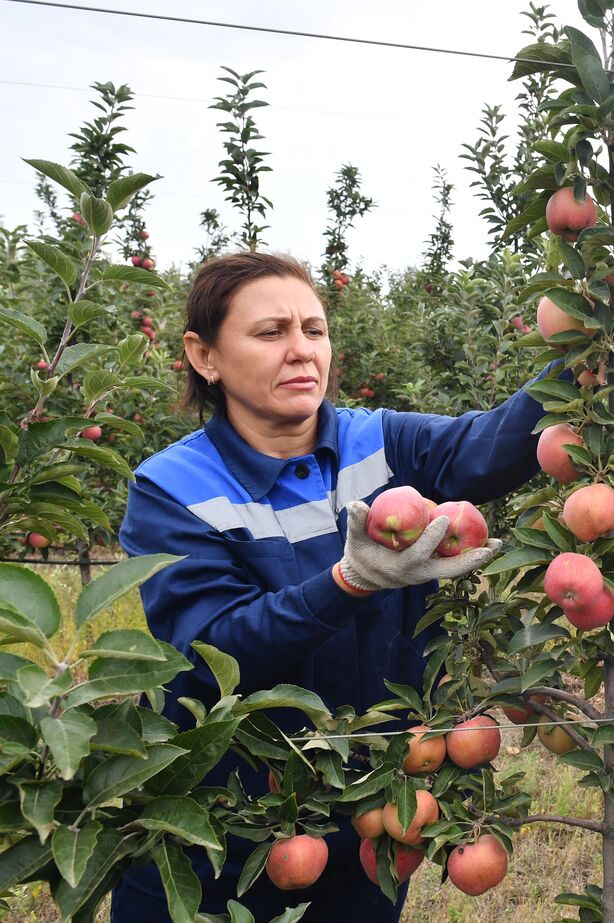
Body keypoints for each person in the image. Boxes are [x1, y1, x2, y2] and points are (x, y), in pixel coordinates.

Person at [111, 252, 550, 922]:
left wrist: (595, 343)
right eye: (270, 332)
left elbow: (486, 446)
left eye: (314, 330)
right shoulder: (173, 489)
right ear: (205, 355)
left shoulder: (378, 443)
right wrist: (347, 581)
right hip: (220, 831)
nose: (301, 351)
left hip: (369, 820)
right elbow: (216, 647)